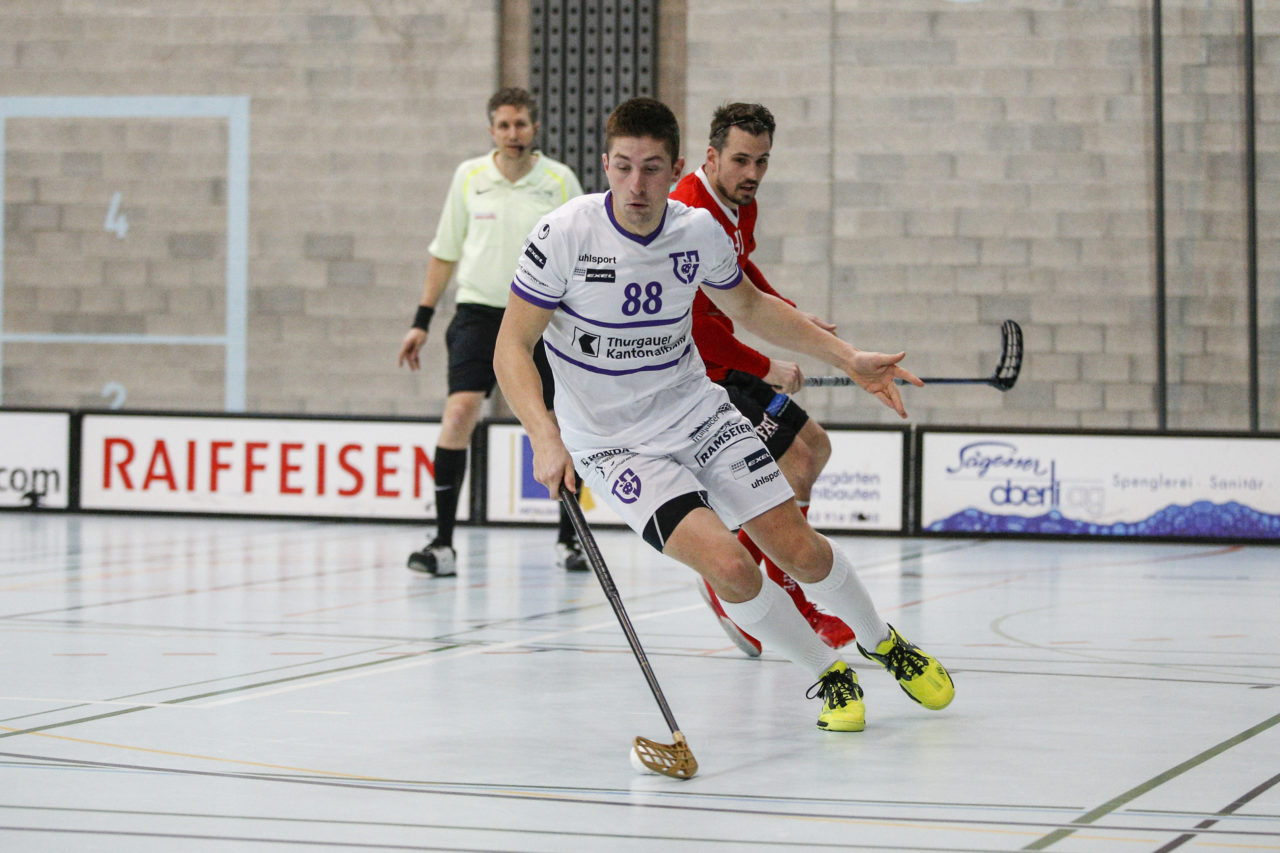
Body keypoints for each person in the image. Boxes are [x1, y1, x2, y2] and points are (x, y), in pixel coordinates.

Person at [493, 97, 953, 732]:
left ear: (676, 167)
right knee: (732, 568)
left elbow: (752, 307)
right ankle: (828, 673)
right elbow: (511, 346)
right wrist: (544, 435)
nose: (636, 185)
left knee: (801, 552)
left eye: (652, 169)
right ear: (605, 164)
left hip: (696, 413)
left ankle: (882, 641)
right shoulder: (564, 235)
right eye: (623, 167)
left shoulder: (696, 231)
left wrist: (848, 358)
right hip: (613, 444)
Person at [670, 102, 851, 656]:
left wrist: (791, 316)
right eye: (741, 160)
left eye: (763, 162)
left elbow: (740, 271)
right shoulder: (689, 213)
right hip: (696, 374)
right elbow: (699, 328)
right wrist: (768, 363)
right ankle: (770, 600)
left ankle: (733, 574)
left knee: (811, 449)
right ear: (711, 156)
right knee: (796, 460)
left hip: (725, 366)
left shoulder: (737, 204)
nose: (752, 174)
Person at [398, 87, 588, 577]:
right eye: (503, 125)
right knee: (460, 412)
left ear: (535, 128)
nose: (512, 134)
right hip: (478, 315)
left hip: (543, 316)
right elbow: (445, 251)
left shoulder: (560, 182)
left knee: (554, 421)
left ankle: (570, 541)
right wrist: (420, 321)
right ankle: (441, 543)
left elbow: (586, 254)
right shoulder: (469, 178)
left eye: (521, 124)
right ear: (492, 130)